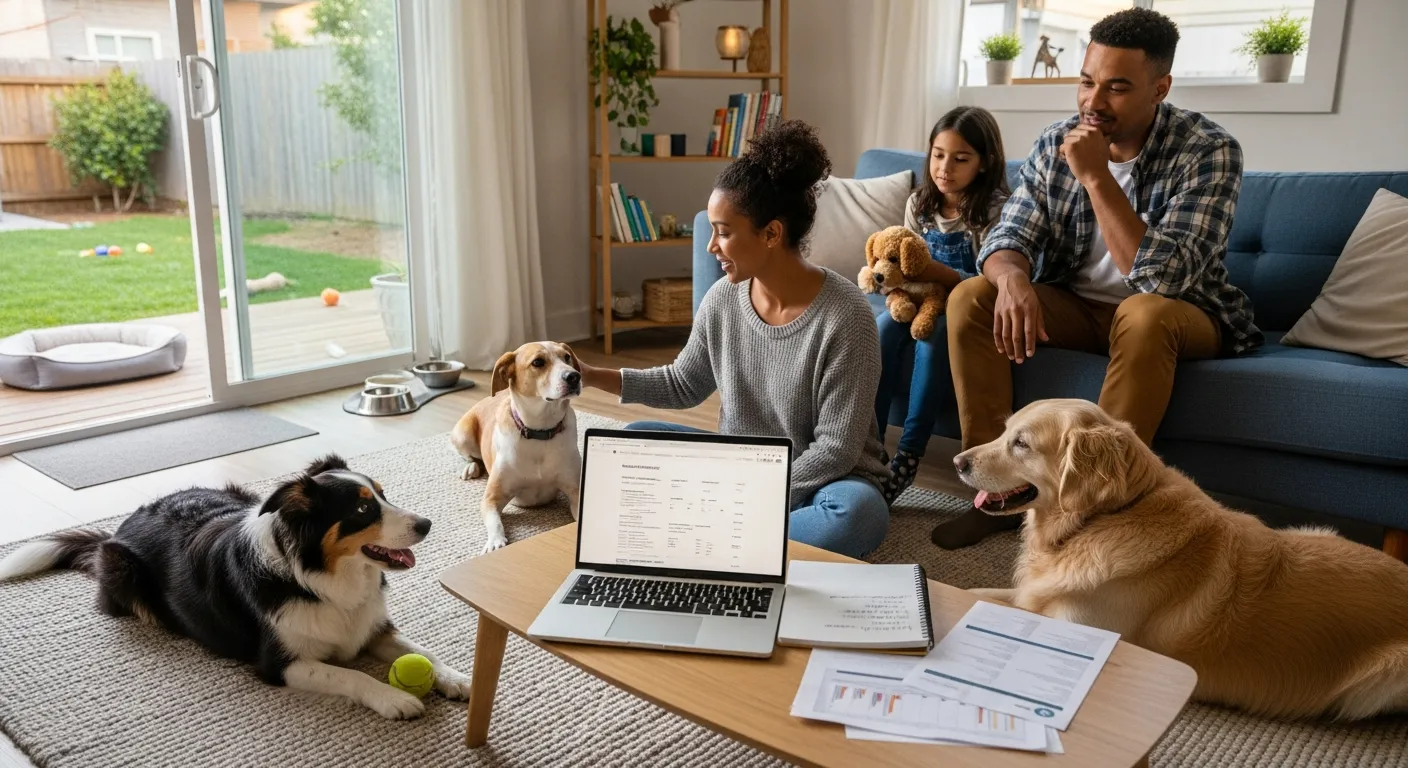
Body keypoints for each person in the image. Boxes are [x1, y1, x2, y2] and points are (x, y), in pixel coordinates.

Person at [933, 7, 1262, 550]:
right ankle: (996, 495)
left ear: (1160, 88)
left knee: (1144, 311)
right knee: (974, 295)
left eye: (1116, 88)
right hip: (1079, 307)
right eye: (1086, 82)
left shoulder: (1208, 151)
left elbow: (1159, 276)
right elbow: (1005, 238)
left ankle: (1101, 515)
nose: (1092, 101)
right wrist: (1013, 279)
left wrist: (1094, 175)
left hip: (1182, 313)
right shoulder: (1054, 141)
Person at [577, 120, 892, 559]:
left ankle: (711, 537)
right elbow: (681, 384)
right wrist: (590, 375)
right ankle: (745, 541)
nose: (712, 247)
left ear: (771, 234)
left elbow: (836, 450)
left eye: (723, 231)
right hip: (736, 470)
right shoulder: (722, 300)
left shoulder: (847, 316)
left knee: (856, 516)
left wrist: (752, 500)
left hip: (823, 481)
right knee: (633, 439)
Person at [874, 106, 1009, 504]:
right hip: (917, 298)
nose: (945, 167)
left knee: (931, 339)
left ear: (984, 164)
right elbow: (903, 266)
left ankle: (909, 453)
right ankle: (870, 444)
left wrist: (937, 271)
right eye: (938, 154)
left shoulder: (996, 211)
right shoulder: (920, 203)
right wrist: (893, 282)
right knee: (881, 329)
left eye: (960, 158)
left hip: (968, 306)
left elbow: (992, 285)